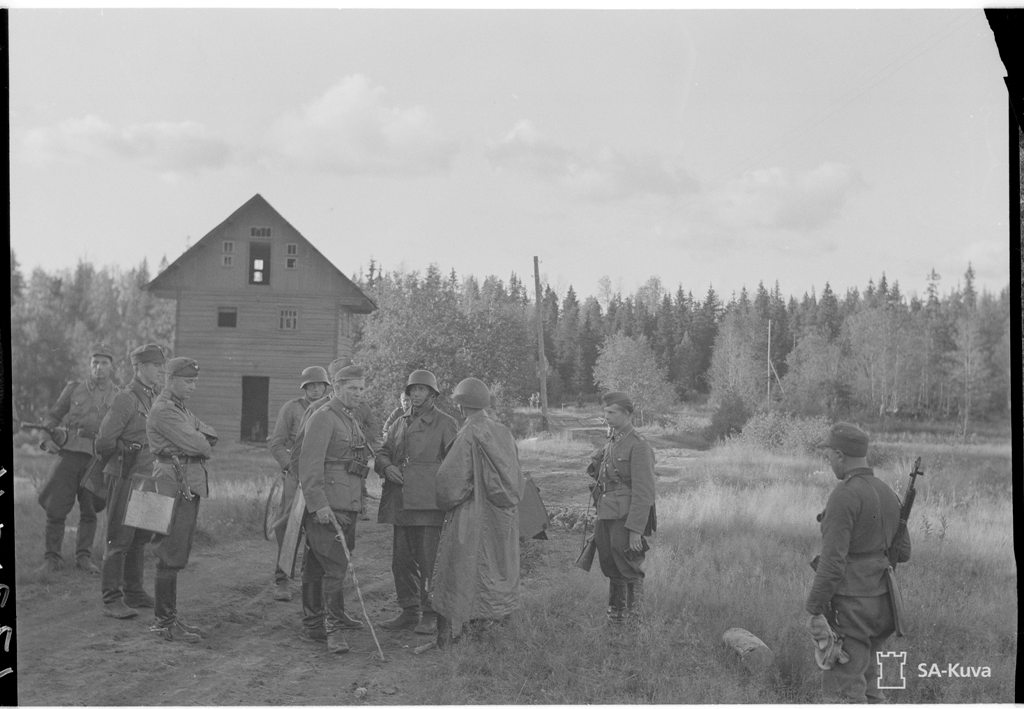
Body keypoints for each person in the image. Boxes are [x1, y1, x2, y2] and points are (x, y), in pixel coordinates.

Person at [806, 422, 911, 703]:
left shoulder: (845, 494)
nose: (829, 461)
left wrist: (814, 609)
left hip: (852, 607)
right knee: (869, 683)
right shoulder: (887, 492)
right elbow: (904, 552)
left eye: (829, 455)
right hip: (884, 603)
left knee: (844, 691)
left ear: (840, 455)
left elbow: (832, 562)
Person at [431, 377, 523, 648]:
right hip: (501, 515)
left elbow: (450, 483)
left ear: (461, 406)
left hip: (471, 514)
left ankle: (457, 637)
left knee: (463, 572)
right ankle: (486, 632)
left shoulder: (468, 434)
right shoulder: (503, 431)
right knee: (495, 569)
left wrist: (444, 500)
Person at [297, 364, 373, 654]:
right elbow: (309, 464)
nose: (358, 393)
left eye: (361, 389)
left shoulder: (348, 417)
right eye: (352, 388)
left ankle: (317, 622)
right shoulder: (324, 417)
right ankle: (332, 629)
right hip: (330, 504)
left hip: (347, 502)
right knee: (335, 567)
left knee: (321, 564)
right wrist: (319, 505)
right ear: (337, 388)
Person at [376, 370, 458, 635]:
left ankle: (431, 613)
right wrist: (387, 466)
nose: (416, 394)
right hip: (400, 502)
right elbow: (383, 452)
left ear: (433, 394)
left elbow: (455, 462)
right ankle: (409, 610)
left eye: (422, 389)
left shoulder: (445, 423)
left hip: (429, 504)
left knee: (428, 561)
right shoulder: (400, 422)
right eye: (412, 390)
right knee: (401, 561)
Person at [146, 357, 218, 643]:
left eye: (195, 381)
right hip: (172, 483)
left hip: (182, 481)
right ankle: (163, 622)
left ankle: (169, 618)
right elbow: (202, 444)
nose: (193, 386)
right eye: (188, 381)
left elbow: (211, 434)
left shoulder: (180, 409)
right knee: (169, 551)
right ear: (171, 379)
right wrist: (198, 438)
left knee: (174, 551)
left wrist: (198, 436)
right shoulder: (165, 410)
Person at [94, 343, 166, 619]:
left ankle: (134, 592)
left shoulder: (155, 397)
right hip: (126, 474)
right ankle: (111, 598)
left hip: (148, 475)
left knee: (140, 537)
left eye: (161, 365)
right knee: (119, 538)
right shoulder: (126, 398)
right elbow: (103, 441)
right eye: (155, 365)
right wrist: (125, 451)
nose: (160, 370)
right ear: (139, 367)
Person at [36, 347, 119, 573]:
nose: (99, 367)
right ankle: (52, 558)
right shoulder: (74, 388)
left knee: (90, 510)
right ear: (89, 365)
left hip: (98, 458)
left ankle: (84, 557)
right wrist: (46, 439)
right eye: (95, 363)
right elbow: (53, 416)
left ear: (112, 367)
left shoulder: (119, 395)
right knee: (56, 506)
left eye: (104, 363)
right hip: (70, 453)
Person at [585, 391, 656, 625]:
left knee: (629, 566)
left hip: (625, 516)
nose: (606, 416)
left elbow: (644, 492)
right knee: (610, 562)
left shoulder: (638, 445)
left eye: (612, 412)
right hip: (606, 512)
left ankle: (635, 620)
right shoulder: (613, 441)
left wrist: (636, 529)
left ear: (627, 414)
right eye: (605, 411)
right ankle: (616, 616)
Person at [267, 365, 330, 601]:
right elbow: (276, 443)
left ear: (326, 387)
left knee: (322, 525)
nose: (315, 390)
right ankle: (282, 579)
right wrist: (290, 467)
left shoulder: (331, 409)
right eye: (310, 386)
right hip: (296, 475)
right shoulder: (292, 409)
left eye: (319, 385)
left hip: (324, 476)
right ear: (304, 388)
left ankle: (318, 581)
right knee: (288, 525)